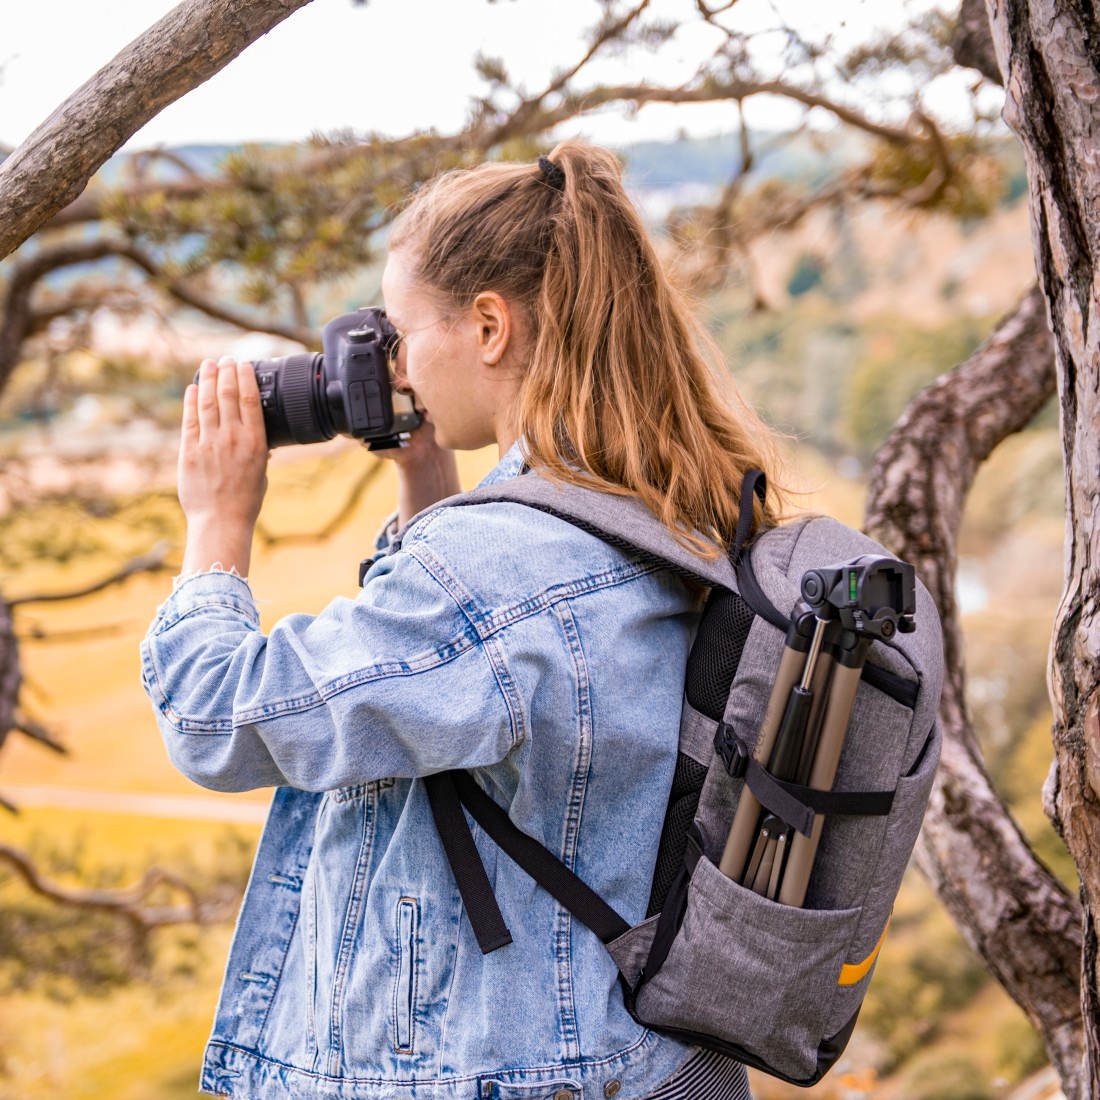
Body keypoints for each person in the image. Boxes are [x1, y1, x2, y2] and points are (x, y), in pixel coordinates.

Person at [141, 141, 785, 1100]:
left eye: (400, 333)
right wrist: (425, 478)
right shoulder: (671, 502)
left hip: (497, 1071)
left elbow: (215, 720)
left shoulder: (495, 575)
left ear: (490, 325)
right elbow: (471, 693)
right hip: (634, 1060)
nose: (391, 365)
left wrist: (218, 522)